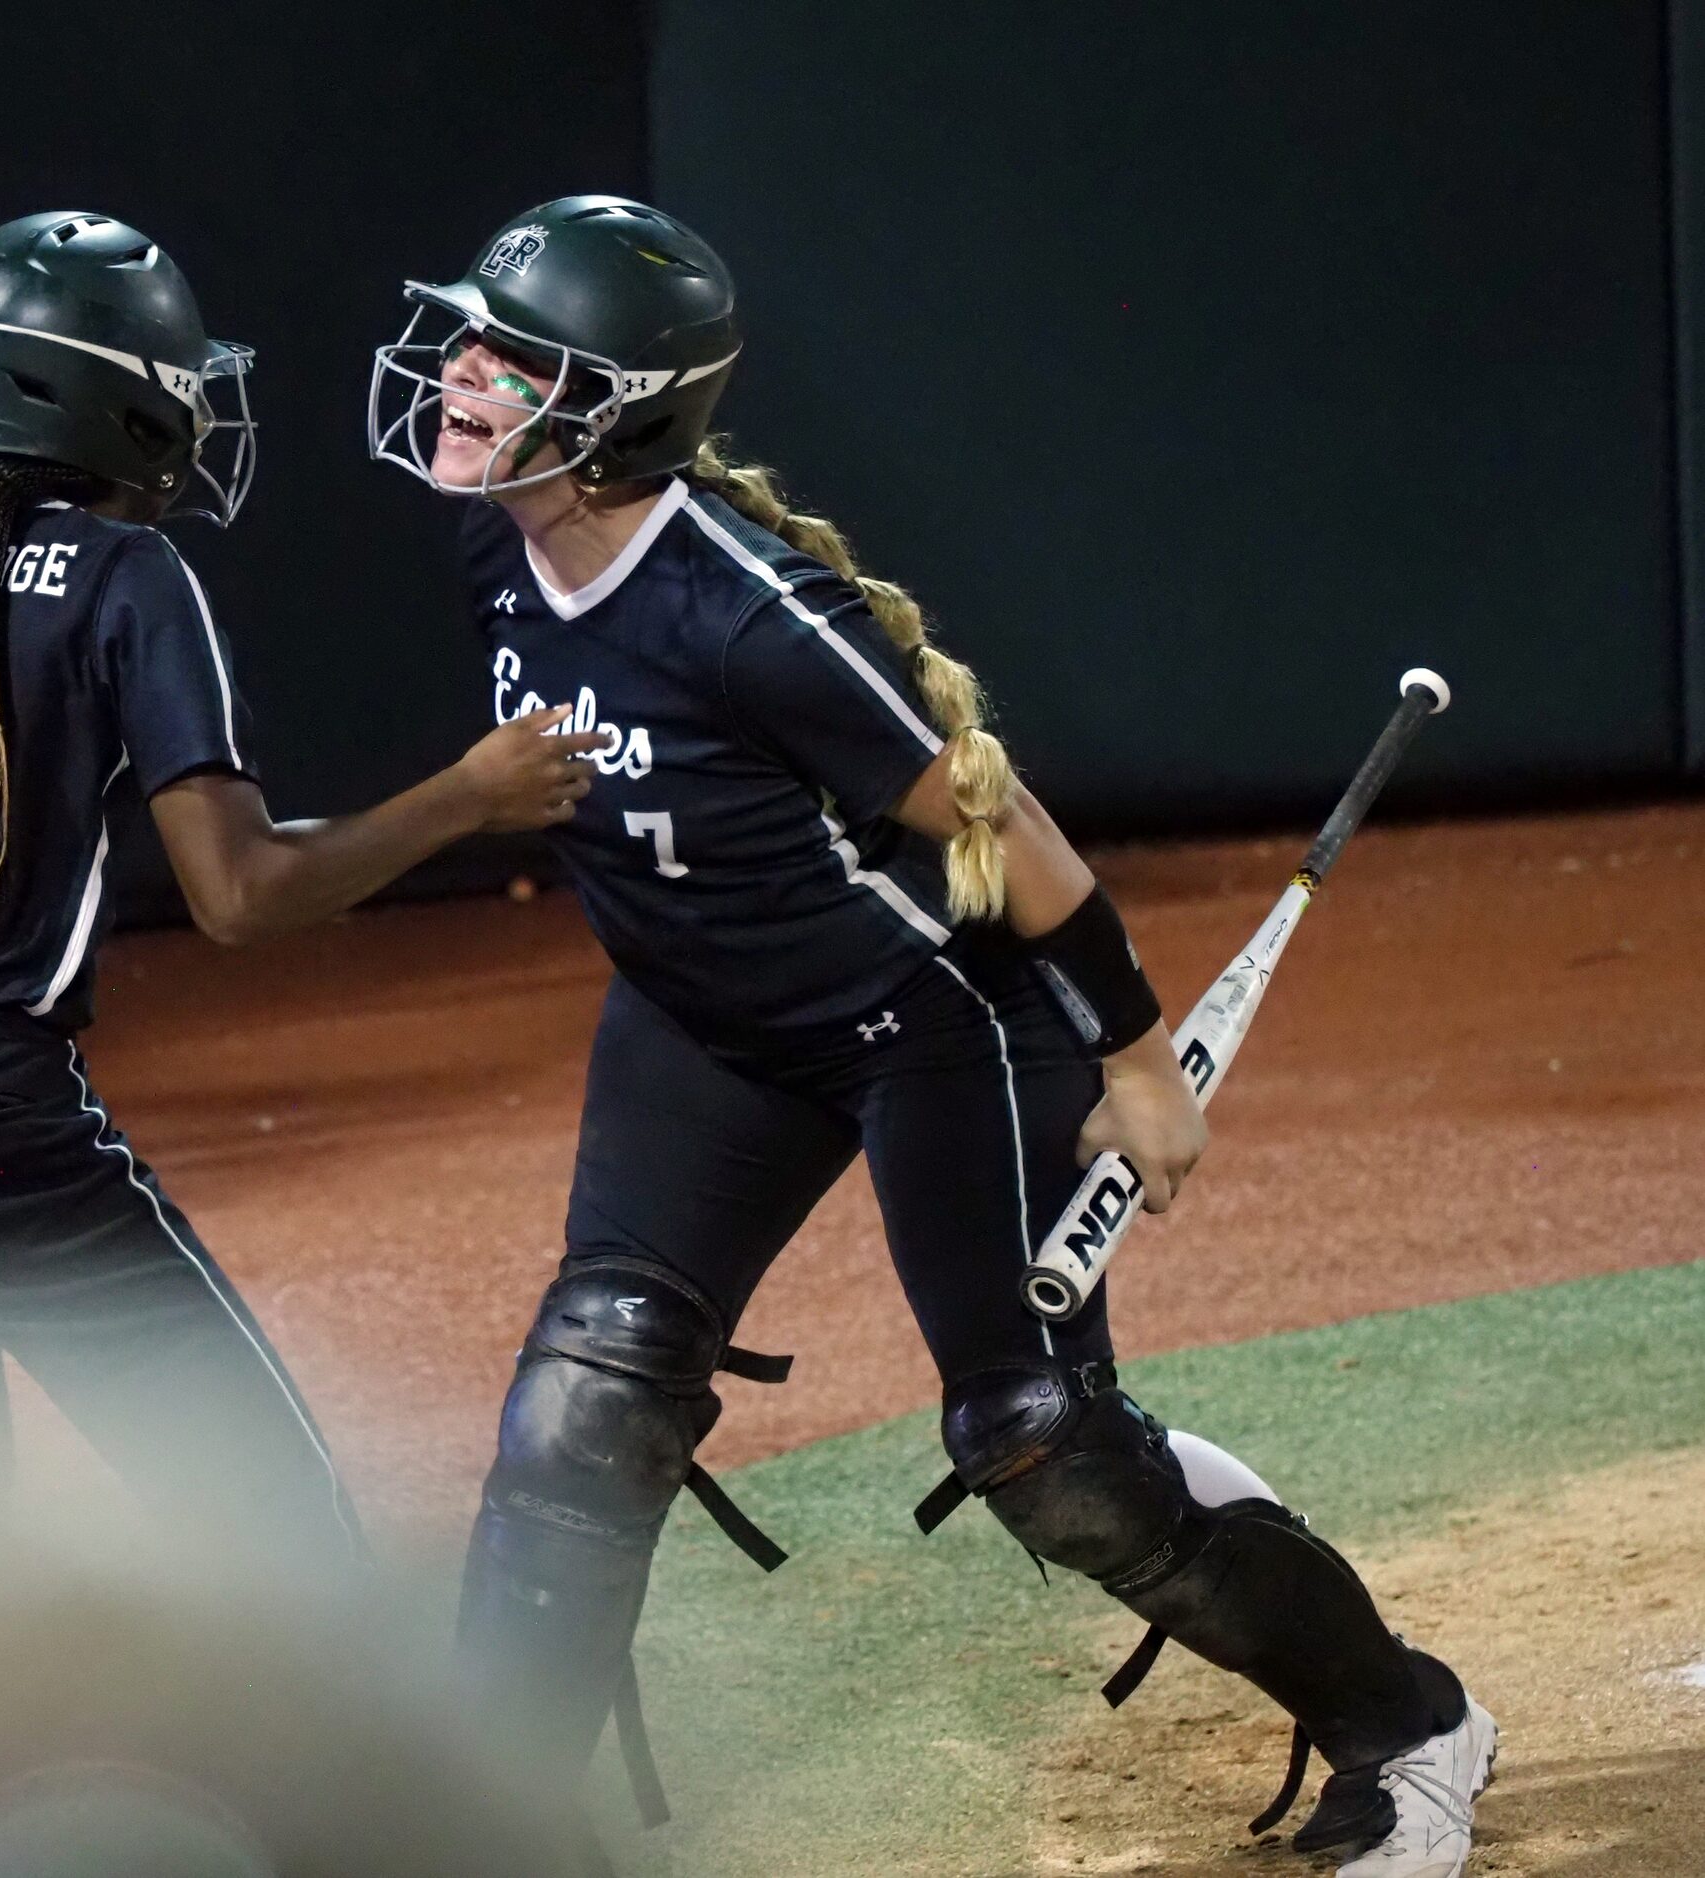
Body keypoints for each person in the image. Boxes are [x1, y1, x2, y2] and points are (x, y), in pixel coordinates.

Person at [368, 195, 1493, 1878]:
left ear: (614, 416)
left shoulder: (750, 617)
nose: (458, 374)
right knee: (579, 1407)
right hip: (699, 1023)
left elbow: (1004, 825)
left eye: (509, 357)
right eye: (467, 336)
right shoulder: (491, 540)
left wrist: (1130, 1060)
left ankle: (1407, 1726)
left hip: (929, 1023)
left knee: (1039, 1442)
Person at [0, 211, 600, 1569]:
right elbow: (241, 891)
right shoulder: (124, 575)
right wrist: (469, 795)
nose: (195, 401)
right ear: (98, 394)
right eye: (170, 374)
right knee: (271, 1513)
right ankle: (337, 1788)